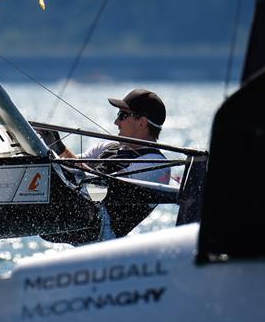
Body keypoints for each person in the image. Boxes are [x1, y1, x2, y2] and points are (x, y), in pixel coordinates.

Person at [39, 88, 170, 242]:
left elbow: (98, 190)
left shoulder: (156, 164)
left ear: (142, 123)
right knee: (41, 169)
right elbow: (72, 165)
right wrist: (52, 147)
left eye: (122, 115)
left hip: (101, 232)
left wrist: (60, 149)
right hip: (76, 213)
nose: (116, 122)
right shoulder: (107, 148)